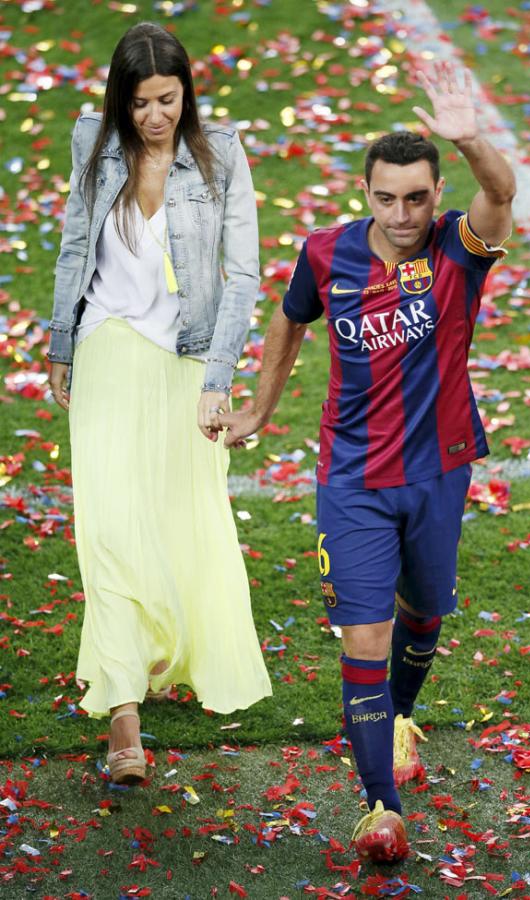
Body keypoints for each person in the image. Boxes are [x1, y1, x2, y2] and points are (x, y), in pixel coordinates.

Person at [219, 60, 515, 861]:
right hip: (350, 480)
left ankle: (405, 715)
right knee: (365, 637)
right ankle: (379, 805)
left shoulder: (459, 247)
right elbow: (289, 321)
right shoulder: (326, 256)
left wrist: (472, 139)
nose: (403, 212)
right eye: (386, 197)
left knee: (426, 613)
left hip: (438, 471)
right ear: (366, 194)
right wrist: (259, 408)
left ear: (434, 190)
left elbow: (502, 195)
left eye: (417, 196)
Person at [48, 22, 271, 786]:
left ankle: (160, 653)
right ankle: (122, 720)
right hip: (108, 346)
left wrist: (218, 377)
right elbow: (74, 247)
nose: (154, 116)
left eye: (167, 99)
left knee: (178, 523)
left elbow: (243, 275)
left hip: (185, 360)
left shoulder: (222, 156)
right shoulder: (93, 143)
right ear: (121, 99)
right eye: (140, 101)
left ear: (187, 94)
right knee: (108, 527)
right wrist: (60, 347)